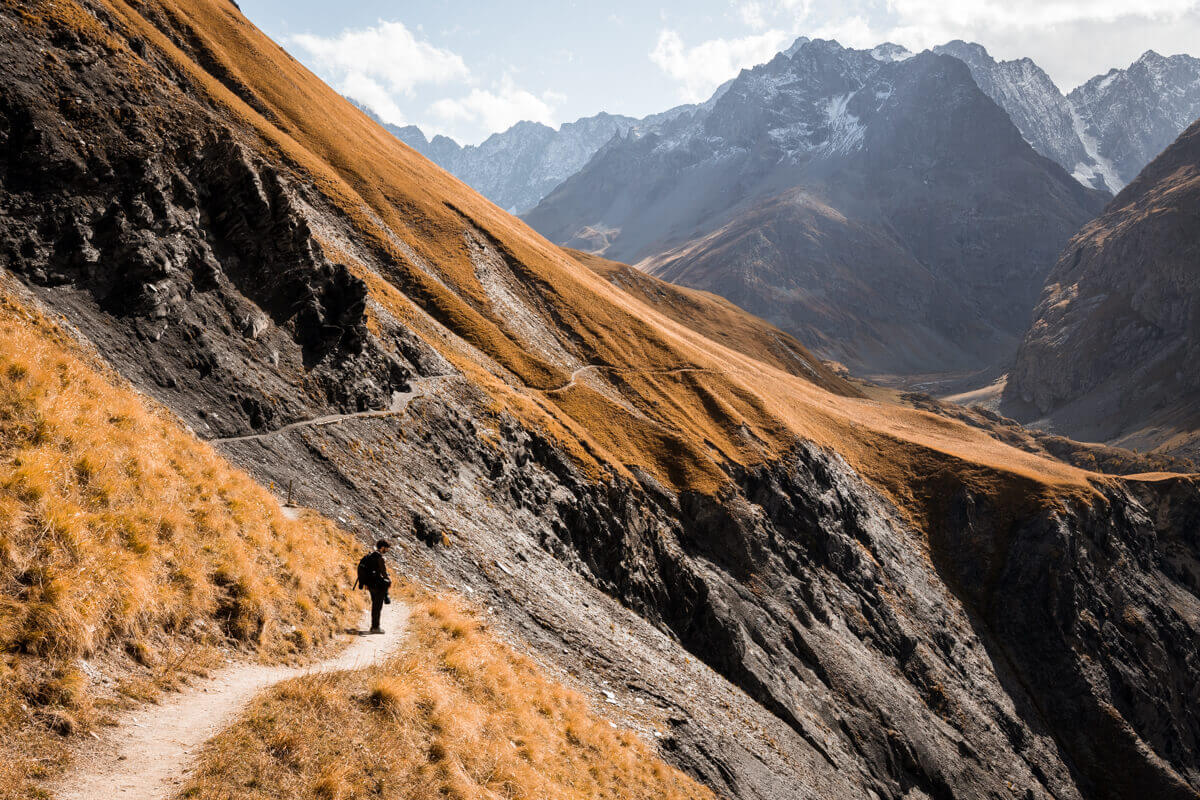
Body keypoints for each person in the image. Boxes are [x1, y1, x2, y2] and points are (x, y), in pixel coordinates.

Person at [355, 539, 392, 634]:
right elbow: (383, 573)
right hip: (378, 585)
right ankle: (375, 627)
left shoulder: (370, 556)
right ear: (382, 547)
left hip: (370, 585)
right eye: (386, 549)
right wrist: (389, 580)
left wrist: (366, 583)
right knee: (377, 606)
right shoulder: (380, 558)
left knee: (374, 605)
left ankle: (374, 626)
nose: (387, 551)